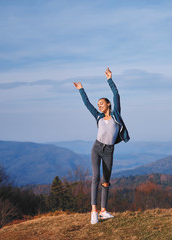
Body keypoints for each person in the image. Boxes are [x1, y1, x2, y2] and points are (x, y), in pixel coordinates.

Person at [74, 68, 130, 224]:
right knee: (95, 178)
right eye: (98, 104)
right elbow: (87, 104)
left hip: (109, 151)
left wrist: (110, 80)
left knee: (106, 181)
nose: (99, 106)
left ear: (108, 104)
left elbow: (116, 95)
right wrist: (81, 90)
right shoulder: (98, 116)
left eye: (101, 103)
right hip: (97, 149)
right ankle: (94, 212)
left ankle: (104, 211)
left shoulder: (115, 114)